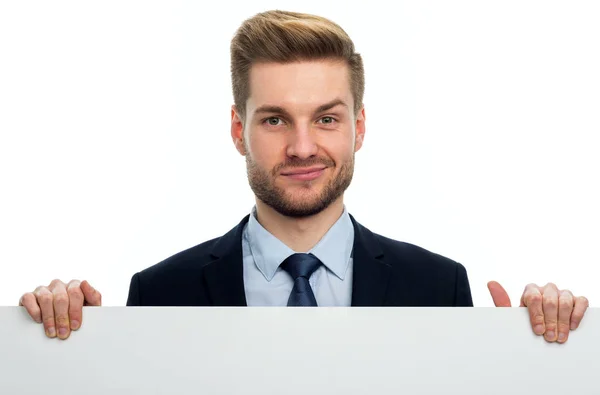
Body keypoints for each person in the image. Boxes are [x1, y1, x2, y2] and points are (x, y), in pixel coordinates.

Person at [19, 10, 589, 342]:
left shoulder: (439, 290)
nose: (301, 146)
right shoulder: (159, 295)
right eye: (274, 119)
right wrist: (68, 352)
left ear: (358, 127)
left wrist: (533, 358)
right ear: (238, 130)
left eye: (326, 118)